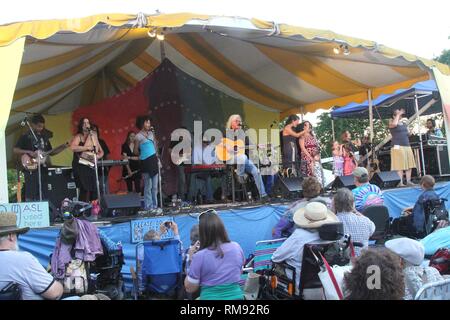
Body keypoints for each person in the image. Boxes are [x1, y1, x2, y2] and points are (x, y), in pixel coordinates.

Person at [272, 202, 338, 295]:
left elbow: (276, 257)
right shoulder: (334, 236)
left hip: (301, 285)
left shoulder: (299, 236)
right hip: (328, 283)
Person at [0, 212, 63, 300]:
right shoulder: (22, 259)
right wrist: (60, 285)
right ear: (11, 236)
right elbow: (54, 293)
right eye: (17, 235)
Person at [185, 210, 245, 300]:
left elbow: (190, 288)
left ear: (202, 233)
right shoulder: (237, 247)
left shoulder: (200, 256)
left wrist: (190, 260)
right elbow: (239, 272)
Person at [13, 114, 60, 201]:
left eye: (42, 126)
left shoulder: (44, 138)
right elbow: (15, 150)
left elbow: (51, 152)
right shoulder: (25, 136)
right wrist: (29, 152)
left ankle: (43, 209)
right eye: (38, 126)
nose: (40, 128)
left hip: (43, 168)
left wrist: (63, 147)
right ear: (32, 125)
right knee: (31, 191)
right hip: (30, 167)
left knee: (44, 192)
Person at [223, 115, 267, 200]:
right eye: (236, 121)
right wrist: (227, 146)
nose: (239, 123)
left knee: (256, 171)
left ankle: (263, 195)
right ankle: (240, 174)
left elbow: (250, 145)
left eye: (239, 121)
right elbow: (221, 144)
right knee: (242, 157)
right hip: (231, 158)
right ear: (231, 123)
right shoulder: (227, 133)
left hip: (242, 159)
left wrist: (257, 146)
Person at [137, 221, 181, 293]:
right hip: (172, 284)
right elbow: (178, 248)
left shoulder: (141, 251)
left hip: (150, 285)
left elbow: (152, 244)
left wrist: (159, 232)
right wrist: (175, 231)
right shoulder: (170, 251)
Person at [70, 117, 104, 202]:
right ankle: (81, 211)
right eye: (84, 123)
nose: (86, 125)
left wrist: (95, 158)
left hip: (89, 164)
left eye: (87, 123)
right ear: (81, 126)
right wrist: (86, 147)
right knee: (84, 189)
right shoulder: (78, 136)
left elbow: (101, 152)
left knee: (94, 188)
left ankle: (94, 210)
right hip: (80, 165)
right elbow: (73, 147)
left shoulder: (93, 136)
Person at [333, 188, 375, 255]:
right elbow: (371, 231)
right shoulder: (366, 220)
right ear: (353, 204)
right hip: (363, 259)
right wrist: (356, 211)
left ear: (334, 204)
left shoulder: (333, 223)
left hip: (341, 261)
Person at [134, 115, 160, 212]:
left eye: (149, 122)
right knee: (148, 186)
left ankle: (155, 205)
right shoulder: (138, 136)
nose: (148, 124)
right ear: (142, 123)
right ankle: (148, 206)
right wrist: (143, 153)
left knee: (155, 186)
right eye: (146, 122)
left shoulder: (152, 134)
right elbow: (135, 151)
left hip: (153, 160)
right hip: (145, 161)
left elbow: (155, 148)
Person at [389, 108, 416, 187]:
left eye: (400, 113)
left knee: (409, 163)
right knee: (399, 164)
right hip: (397, 145)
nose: (400, 114)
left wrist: (410, 132)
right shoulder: (391, 121)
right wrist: (398, 115)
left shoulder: (404, 123)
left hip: (406, 145)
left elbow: (408, 134)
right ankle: (400, 182)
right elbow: (394, 125)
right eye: (398, 113)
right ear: (394, 115)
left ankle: (408, 181)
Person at [91, 124, 110, 195]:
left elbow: (107, 154)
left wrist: (107, 165)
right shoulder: (87, 142)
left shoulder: (101, 142)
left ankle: (107, 203)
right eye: (92, 130)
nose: (94, 132)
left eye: (95, 131)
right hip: (91, 168)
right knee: (94, 189)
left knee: (104, 187)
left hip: (102, 167)